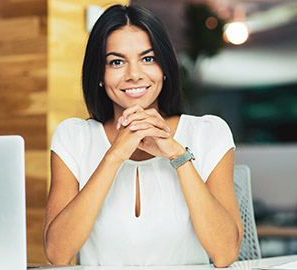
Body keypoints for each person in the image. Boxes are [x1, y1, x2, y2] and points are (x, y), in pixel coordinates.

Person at [43, 4, 243, 267]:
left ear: (164, 68)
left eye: (148, 58)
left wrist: (177, 154)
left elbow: (225, 254)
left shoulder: (209, 133)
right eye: (116, 62)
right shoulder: (73, 137)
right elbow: (58, 254)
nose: (134, 74)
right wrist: (114, 155)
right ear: (99, 74)